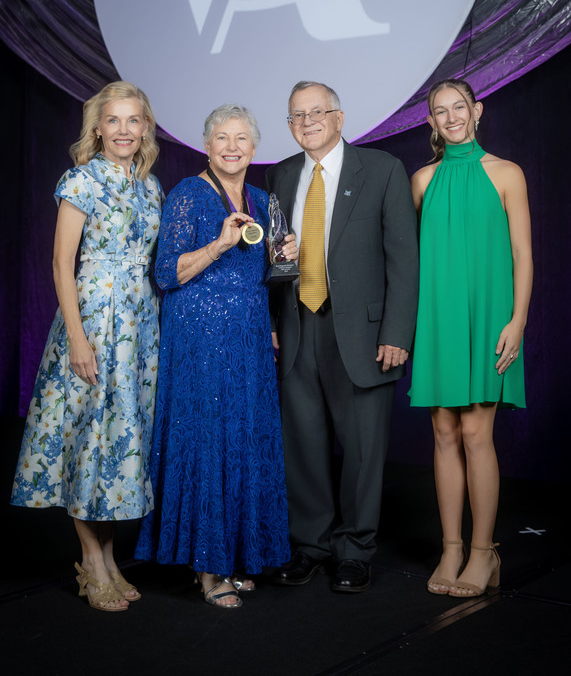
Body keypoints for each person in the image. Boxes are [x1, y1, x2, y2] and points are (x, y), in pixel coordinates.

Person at [135, 104, 297, 609]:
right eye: (221, 137)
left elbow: (271, 279)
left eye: (241, 138)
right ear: (206, 145)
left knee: (244, 440)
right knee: (207, 442)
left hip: (248, 337)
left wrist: (286, 258)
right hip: (198, 338)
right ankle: (207, 570)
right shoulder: (187, 194)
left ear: (254, 147)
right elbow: (166, 274)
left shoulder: (264, 200)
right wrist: (220, 244)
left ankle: (234, 556)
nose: (232, 146)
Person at [11, 81, 163, 611]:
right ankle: (91, 563)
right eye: (114, 120)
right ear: (97, 128)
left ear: (145, 128)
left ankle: (110, 559)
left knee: (118, 447)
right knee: (86, 443)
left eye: (133, 120)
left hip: (140, 330)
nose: (124, 130)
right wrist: (77, 338)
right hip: (94, 323)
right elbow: (61, 264)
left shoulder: (151, 186)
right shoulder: (82, 180)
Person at [264, 81, 419, 593]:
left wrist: (398, 331)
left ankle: (354, 551)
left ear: (339, 117)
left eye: (316, 112)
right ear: (289, 126)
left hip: (365, 333)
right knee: (303, 446)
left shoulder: (382, 170)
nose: (306, 122)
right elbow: (275, 260)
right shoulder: (282, 175)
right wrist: (270, 320)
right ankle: (310, 546)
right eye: (296, 116)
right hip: (297, 326)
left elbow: (404, 260)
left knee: (362, 449)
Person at [409, 78, 533, 598]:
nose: (452, 116)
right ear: (432, 122)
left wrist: (517, 321)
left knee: (478, 435)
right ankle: (452, 547)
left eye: (459, 107)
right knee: (443, 435)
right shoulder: (422, 180)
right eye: (441, 111)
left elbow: (523, 254)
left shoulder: (506, 173)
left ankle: (485, 552)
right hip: (440, 318)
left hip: (488, 318)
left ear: (477, 111)